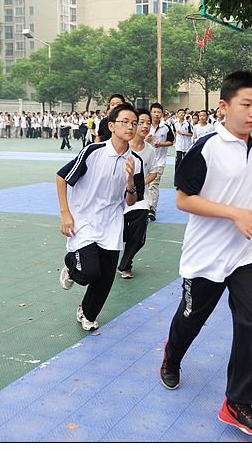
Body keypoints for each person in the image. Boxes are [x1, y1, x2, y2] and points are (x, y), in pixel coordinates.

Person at [159, 71, 252, 437]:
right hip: (207, 255)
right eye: (247, 105)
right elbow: (183, 199)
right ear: (224, 107)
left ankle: (238, 402)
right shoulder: (205, 147)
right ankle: (172, 355)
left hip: (249, 251)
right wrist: (234, 213)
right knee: (192, 319)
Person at [56, 104, 145, 331]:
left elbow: (131, 201)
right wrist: (65, 213)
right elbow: (61, 177)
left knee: (105, 278)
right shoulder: (93, 152)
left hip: (112, 224)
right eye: (125, 121)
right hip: (84, 220)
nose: (131, 126)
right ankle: (70, 265)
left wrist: (130, 183)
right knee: (88, 272)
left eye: (134, 123)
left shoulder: (136, 162)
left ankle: (87, 313)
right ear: (112, 126)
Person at [117, 108, 159, 279]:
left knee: (139, 237)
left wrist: (137, 185)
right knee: (119, 233)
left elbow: (153, 172)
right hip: (119, 199)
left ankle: (125, 265)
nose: (145, 126)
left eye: (148, 123)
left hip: (140, 200)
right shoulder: (122, 147)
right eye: (141, 122)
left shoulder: (149, 150)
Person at [145, 102, 174, 221]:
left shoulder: (166, 127)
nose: (156, 114)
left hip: (159, 162)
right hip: (144, 160)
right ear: (150, 112)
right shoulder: (144, 126)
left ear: (162, 114)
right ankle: (143, 207)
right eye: (154, 112)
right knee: (144, 184)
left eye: (159, 112)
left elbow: (171, 141)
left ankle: (152, 209)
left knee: (153, 184)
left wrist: (161, 144)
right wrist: (146, 139)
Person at [173, 108, 193, 174]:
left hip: (187, 144)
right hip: (178, 144)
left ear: (185, 114)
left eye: (183, 113)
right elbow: (174, 133)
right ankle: (177, 173)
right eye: (180, 113)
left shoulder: (187, 124)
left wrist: (183, 133)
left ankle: (186, 173)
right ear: (177, 114)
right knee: (178, 159)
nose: (181, 114)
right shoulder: (175, 123)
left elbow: (191, 134)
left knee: (186, 160)